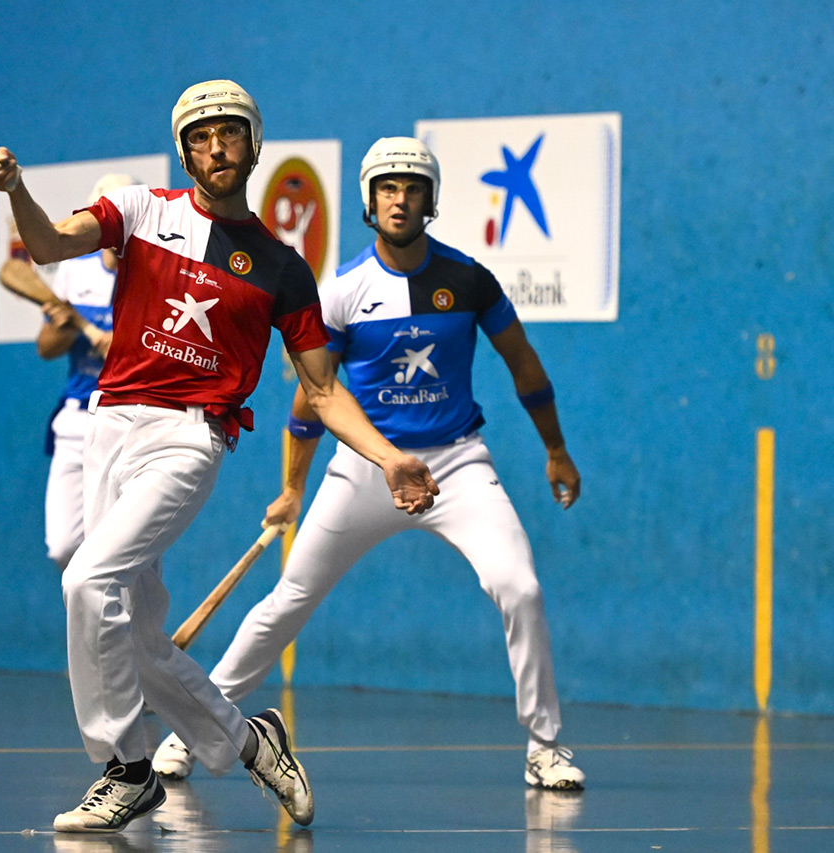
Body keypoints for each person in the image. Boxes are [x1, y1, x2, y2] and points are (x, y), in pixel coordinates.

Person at [0, 85, 440, 833]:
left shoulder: (283, 270)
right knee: (140, 639)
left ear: (254, 146)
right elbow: (55, 243)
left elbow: (321, 389)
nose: (217, 148)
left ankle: (125, 768)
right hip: (110, 425)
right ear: (184, 149)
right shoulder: (139, 210)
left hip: (192, 436)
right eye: (201, 138)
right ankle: (249, 740)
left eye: (230, 135)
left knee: (90, 578)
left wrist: (388, 457)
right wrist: (17, 193)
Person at [151, 136, 586, 791]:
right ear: (369, 201)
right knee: (288, 601)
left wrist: (555, 448)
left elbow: (523, 363)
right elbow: (309, 396)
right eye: (387, 188)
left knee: (520, 586)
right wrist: (293, 487)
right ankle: (196, 728)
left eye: (412, 188)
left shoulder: (468, 280)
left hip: (458, 466)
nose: (399, 199)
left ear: (430, 199)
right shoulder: (346, 291)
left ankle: (544, 745)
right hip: (365, 467)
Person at [1, 174, 138, 569]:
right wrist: (65, 324)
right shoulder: (77, 272)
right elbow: (46, 348)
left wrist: (121, 344)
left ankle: (127, 630)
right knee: (64, 547)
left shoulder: (152, 274)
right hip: (78, 418)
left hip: (130, 422)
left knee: (119, 554)